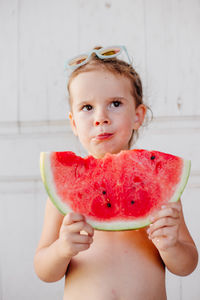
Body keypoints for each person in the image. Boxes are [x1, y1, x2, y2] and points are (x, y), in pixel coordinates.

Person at [34, 45, 198, 300]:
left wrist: (171, 245)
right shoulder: (65, 192)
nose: (101, 117)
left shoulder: (157, 186)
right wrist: (61, 250)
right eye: (87, 107)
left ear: (137, 115)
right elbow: (43, 270)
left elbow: (187, 264)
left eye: (115, 103)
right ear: (74, 123)